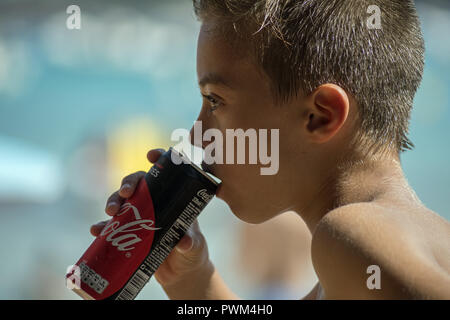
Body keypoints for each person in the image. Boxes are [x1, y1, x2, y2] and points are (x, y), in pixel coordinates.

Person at [90, 0, 450, 299]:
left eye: (215, 100)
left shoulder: (352, 237)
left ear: (319, 116)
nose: (196, 136)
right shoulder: (382, 241)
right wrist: (191, 278)